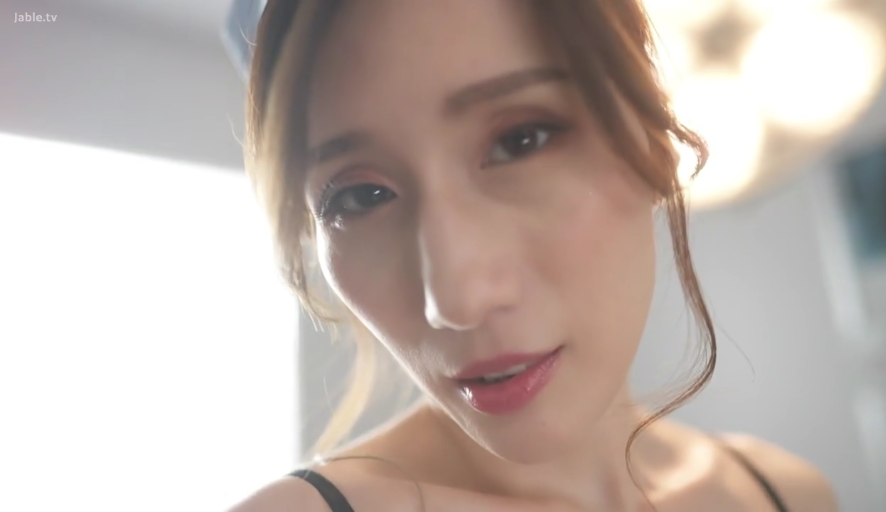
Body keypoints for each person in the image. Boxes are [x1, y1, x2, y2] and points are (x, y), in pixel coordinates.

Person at [230, 0, 839, 510]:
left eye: (520, 140)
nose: (457, 300)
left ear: (654, 136)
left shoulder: (783, 493)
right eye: (360, 197)